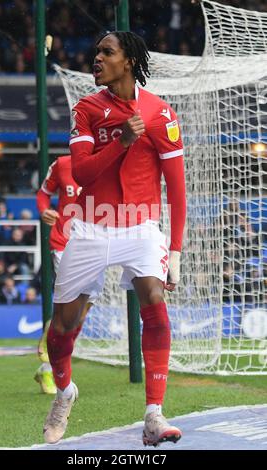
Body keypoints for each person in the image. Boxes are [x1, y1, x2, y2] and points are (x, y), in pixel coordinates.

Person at [43, 31, 186, 447]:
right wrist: (123, 140)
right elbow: (83, 173)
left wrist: (174, 249)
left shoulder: (160, 113)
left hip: (141, 225)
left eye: (107, 52)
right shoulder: (86, 108)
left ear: (129, 61)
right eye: (97, 52)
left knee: (154, 300)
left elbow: (176, 187)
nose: (97, 59)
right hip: (88, 226)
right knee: (63, 327)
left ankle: (154, 415)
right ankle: (65, 391)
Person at [34, 155, 91, 395]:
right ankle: (48, 366)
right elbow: (43, 193)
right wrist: (44, 210)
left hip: (95, 243)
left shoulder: (109, 160)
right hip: (63, 242)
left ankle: (50, 349)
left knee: (81, 311)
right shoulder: (62, 164)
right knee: (71, 305)